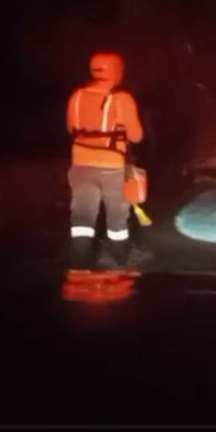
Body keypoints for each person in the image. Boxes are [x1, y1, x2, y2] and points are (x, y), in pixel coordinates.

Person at [65, 51, 144, 270]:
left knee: (82, 219)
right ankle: (120, 261)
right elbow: (137, 136)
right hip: (112, 167)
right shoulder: (122, 99)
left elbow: (70, 128)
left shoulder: (77, 96)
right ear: (117, 71)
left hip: (80, 166)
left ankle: (80, 264)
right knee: (117, 221)